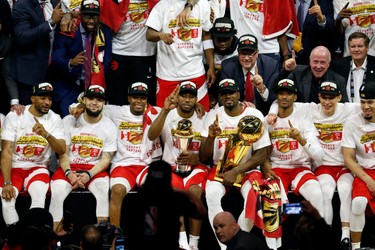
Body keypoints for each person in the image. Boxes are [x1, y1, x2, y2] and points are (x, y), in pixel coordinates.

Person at [268, 81, 361, 249]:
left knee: (345, 190)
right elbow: (280, 101)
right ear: (318, 97)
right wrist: (271, 113)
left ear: (339, 97)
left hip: (343, 164)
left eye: (331, 98)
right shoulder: (309, 109)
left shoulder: (348, 108)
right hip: (321, 165)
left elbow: (368, 104)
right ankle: (320, 236)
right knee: (323, 191)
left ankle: (344, 237)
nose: (327, 102)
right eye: (323, 97)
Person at [199, 78, 271, 249]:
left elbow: (262, 153)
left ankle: (239, 240)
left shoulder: (254, 115)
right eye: (224, 94)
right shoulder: (212, 115)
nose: (228, 96)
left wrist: (237, 170)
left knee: (253, 196)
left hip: (247, 168)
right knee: (211, 195)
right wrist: (210, 137)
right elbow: (204, 157)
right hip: (220, 169)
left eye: (231, 92)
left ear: (239, 94)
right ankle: (225, 247)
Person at [147, 81, 209, 250]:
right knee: (174, 194)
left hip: (196, 167)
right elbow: (152, 135)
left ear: (197, 99)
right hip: (171, 167)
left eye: (191, 96)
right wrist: (165, 110)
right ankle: (181, 243)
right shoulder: (168, 114)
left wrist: (196, 158)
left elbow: (207, 152)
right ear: (178, 97)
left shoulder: (204, 116)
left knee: (195, 191)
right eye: (184, 95)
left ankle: (194, 244)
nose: (187, 100)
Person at [49, 85, 117, 229]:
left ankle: (102, 237)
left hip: (93, 169)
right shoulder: (68, 120)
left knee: (103, 188)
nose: (94, 102)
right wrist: (69, 174)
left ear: (104, 103)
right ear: (84, 100)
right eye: (91, 98)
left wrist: (88, 174)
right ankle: (53, 239)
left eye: (99, 100)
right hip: (69, 167)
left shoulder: (110, 127)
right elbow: (63, 153)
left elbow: (106, 159)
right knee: (57, 192)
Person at [0, 82, 65, 226]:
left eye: (49, 99)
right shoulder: (15, 116)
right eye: (42, 98)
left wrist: (46, 134)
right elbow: (7, 151)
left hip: (38, 167)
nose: (47, 102)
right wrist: (7, 182)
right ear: (32, 98)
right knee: (6, 201)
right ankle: (16, 238)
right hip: (14, 167)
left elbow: (61, 150)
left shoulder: (55, 119)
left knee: (38, 200)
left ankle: (33, 238)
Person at [108, 82, 162, 228]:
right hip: (123, 165)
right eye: (135, 97)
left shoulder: (156, 112)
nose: (139, 101)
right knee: (117, 191)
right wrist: (78, 106)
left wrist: (199, 107)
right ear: (128, 98)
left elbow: (179, 113)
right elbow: (93, 104)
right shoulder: (117, 112)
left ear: (147, 99)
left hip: (146, 165)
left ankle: (151, 235)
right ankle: (115, 235)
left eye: (142, 98)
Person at [145, 0, 215, 110]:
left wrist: (211, 66)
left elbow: (206, 36)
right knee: (165, 118)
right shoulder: (162, 5)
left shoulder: (203, 4)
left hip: (196, 72)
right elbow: (149, 34)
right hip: (168, 75)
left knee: (201, 117)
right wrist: (160, 35)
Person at [123, 160, 207, 250]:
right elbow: (201, 212)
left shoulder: (131, 200)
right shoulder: (174, 200)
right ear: (169, 180)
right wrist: (184, 192)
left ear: (148, 177)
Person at [51, 0, 112, 117]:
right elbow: (56, 59)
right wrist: (71, 62)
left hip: (95, 88)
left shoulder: (104, 32)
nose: (91, 21)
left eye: (94, 17)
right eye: (88, 17)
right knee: (70, 120)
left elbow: (107, 60)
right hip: (70, 88)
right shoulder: (68, 29)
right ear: (81, 15)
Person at [10, 0, 64, 105]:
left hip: (53, 72)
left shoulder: (57, 3)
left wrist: (69, 18)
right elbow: (22, 37)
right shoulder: (22, 5)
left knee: (50, 117)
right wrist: (51, 22)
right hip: (29, 74)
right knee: (28, 117)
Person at [342, 83, 375, 250]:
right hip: (364, 171)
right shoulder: (352, 123)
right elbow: (348, 158)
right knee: (358, 203)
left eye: (370, 102)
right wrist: (368, 179)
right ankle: (355, 247)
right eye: (363, 102)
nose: (366, 106)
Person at [221, 34, 279, 115]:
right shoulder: (228, 67)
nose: (246, 58)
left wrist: (261, 88)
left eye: (250, 54)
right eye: (243, 54)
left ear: (257, 53)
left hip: (264, 113)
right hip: (236, 112)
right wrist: (240, 105)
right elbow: (223, 96)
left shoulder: (270, 66)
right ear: (238, 53)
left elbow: (273, 98)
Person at [275, 46, 348, 103]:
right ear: (310, 61)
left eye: (322, 62)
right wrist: (286, 71)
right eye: (315, 62)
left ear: (329, 63)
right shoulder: (298, 73)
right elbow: (276, 91)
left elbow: (344, 106)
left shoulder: (339, 80)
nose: (318, 66)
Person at [331, 32, 375, 103]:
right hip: (346, 111)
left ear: (367, 47)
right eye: (353, 47)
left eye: (360, 46)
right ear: (349, 48)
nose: (356, 50)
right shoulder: (338, 65)